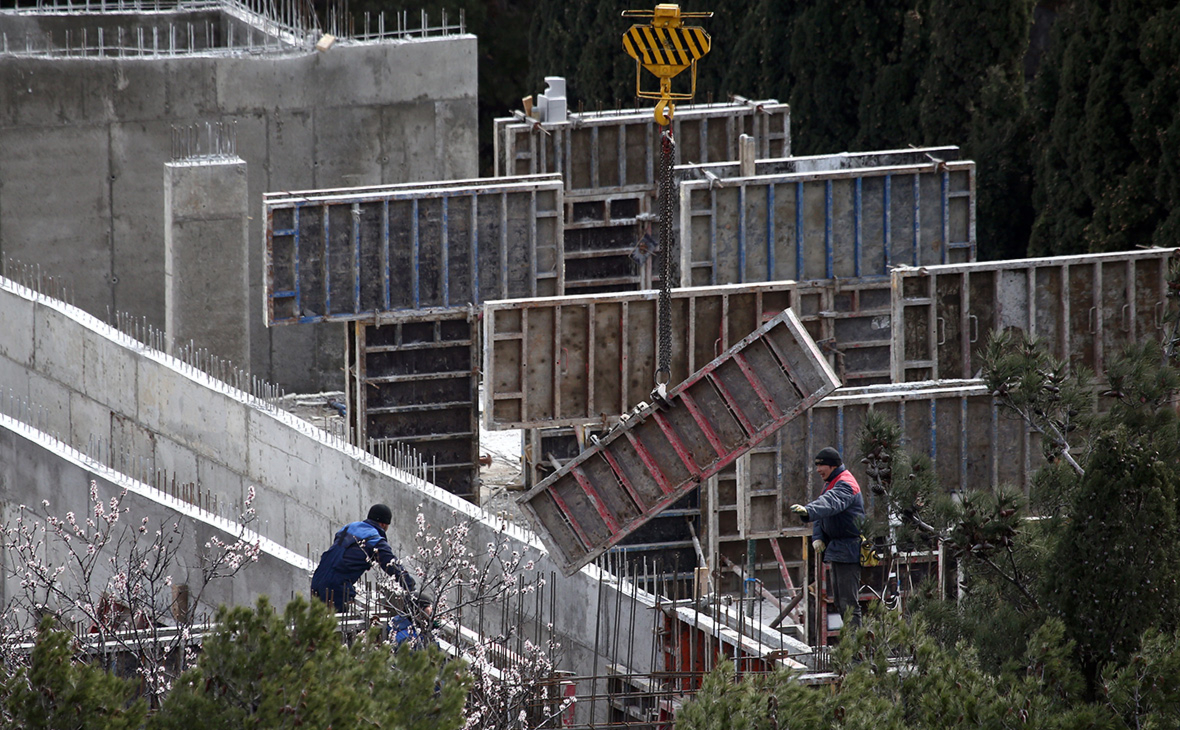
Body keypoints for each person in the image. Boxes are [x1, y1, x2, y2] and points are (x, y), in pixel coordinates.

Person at [790, 447, 864, 628]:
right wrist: (818, 536)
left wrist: (809, 510)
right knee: (840, 601)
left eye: (821, 465)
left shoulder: (845, 484)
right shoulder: (832, 481)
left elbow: (830, 502)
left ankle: (857, 649)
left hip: (848, 548)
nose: (817, 469)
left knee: (848, 603)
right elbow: (824, 508)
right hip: (838, 548)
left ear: (833, 465)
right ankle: (852, 644)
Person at [311, 504, 415, 611]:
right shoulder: (374, 539)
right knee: (337, 624)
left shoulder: (348, 528)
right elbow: (392, 565)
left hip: (317, 579)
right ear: (384, 524)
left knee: (319, 623)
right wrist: (411, 587)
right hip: (337, 588)